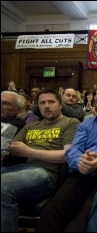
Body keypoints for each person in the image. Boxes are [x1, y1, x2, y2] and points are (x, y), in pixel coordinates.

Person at [36, 86, 97, 232]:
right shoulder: (87, 123)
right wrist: (80, 162)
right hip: (83, 171)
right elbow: (73, 150)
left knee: (87, 212)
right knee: (53, 209)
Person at [1, 89, 80, 232]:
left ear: (60, 105)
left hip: (46, 173)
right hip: (20, 169)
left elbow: (67, 155)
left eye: (51, 102)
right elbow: (11, 147)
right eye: (42, 103)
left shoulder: (70, 122)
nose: (46, 106)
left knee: (2, 187)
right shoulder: (30, 126)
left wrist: (29, 152)